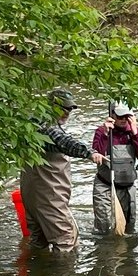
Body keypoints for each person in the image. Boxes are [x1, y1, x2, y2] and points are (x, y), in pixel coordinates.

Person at [19, 88, 92, 252]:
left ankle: (35, 273)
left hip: (32, 196)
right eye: (63, 108)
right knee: (66, 241)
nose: (67, 112)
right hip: (49, 196)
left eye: (70, 109)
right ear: (51, 106)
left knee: (38, 240)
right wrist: (89, 153)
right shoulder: (48, 128)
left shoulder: (31, 124)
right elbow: (65, 142)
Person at [91, 102, 138, 235]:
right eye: (120, 116)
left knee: (129, 227)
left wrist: (136, 134)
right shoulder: (101, 132)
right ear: (112, 115)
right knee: (105, 227)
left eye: (127, 116)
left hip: (127, 187)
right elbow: (97, 155)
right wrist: (106, 135)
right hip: (105, 186)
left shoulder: (135, 133)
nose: (124, 119)